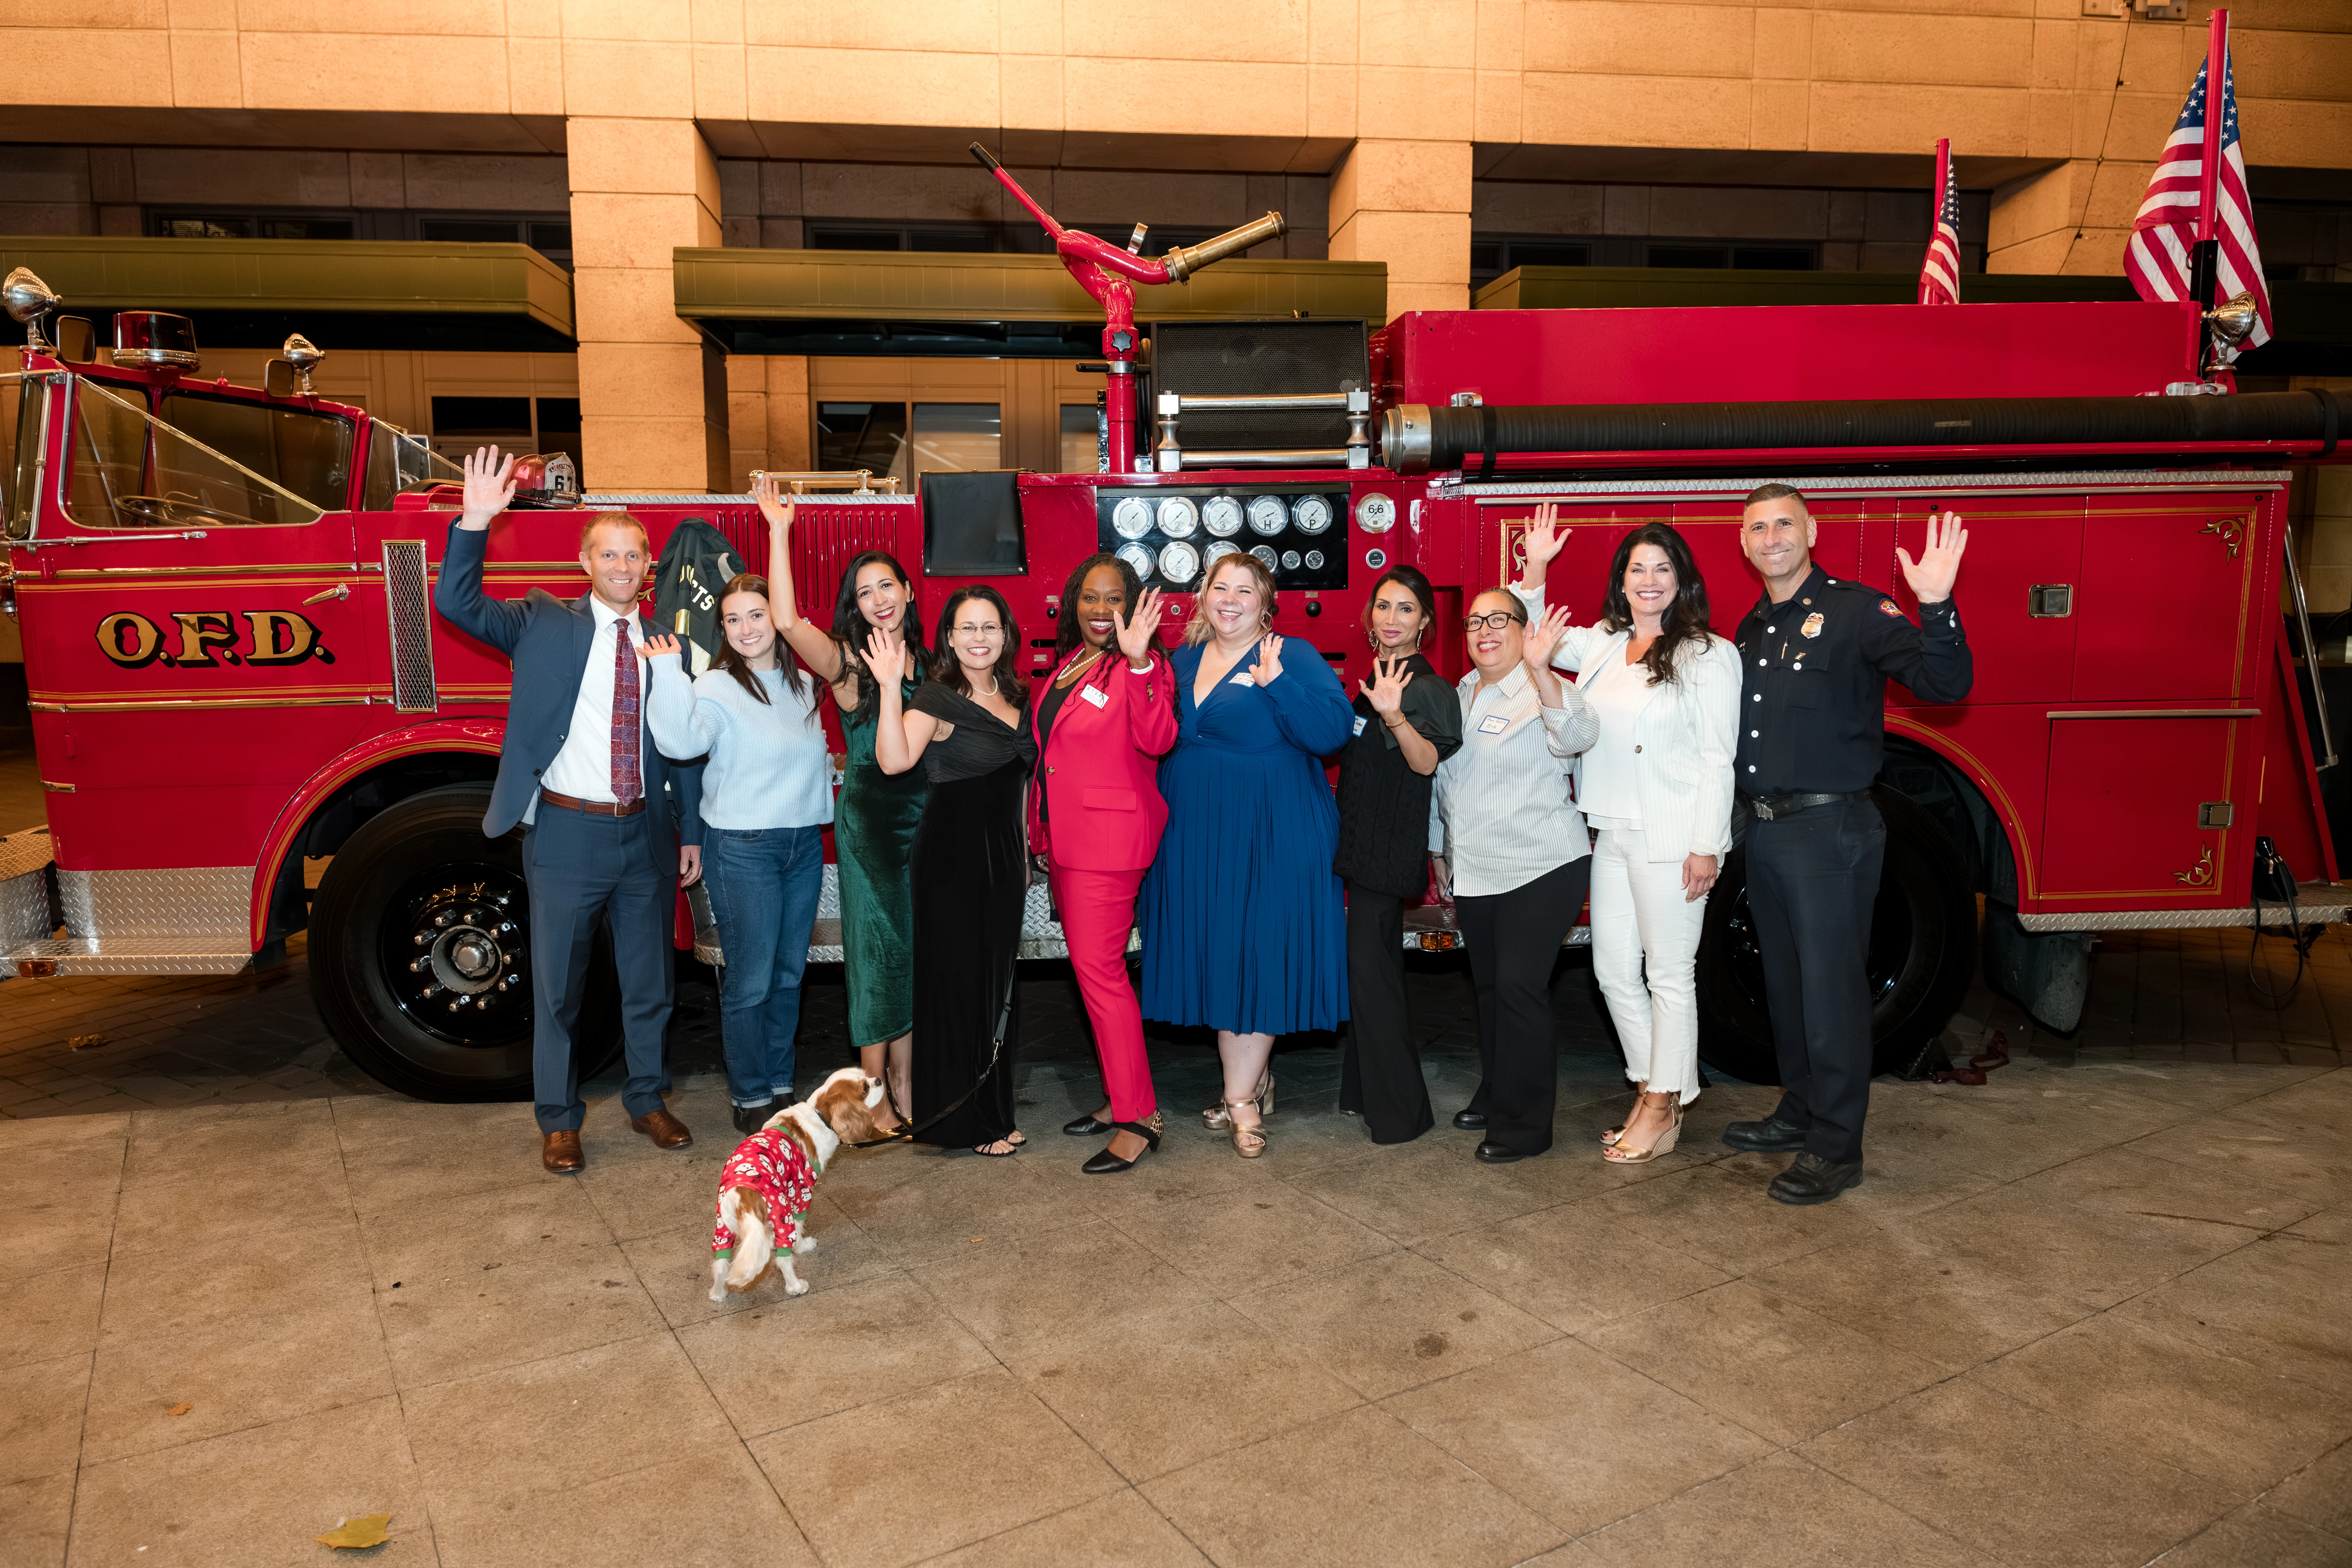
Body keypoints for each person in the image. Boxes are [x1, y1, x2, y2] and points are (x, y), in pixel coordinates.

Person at [431, 446, 704, 1175]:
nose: (622, 566)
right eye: (608, 554)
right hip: (565, 834)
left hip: (645, 833)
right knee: (558, 989)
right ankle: (558, 1119)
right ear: (586, 562)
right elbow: (455, 604)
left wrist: (692, 832)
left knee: (651, 986)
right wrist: (476, 522)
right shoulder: (540, 623)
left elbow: (685, 747)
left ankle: (647, 1099)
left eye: (633, 555)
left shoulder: (666, 645)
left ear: (649, 567)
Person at [1720, 483, 1971, 1205]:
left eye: (1784, 524)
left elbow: (1945, 683)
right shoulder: (1753, 629)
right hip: (1765, 832)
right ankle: (1799, 1110)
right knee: (1787, 990)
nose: (1771, 537)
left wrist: (1937, 603)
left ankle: (1836, 1146)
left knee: (1830, 995)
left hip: (1829, 832)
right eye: (1758, 527)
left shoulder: (1859, 611)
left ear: (1811, 531)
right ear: (1744, 543)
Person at [1512, 513, 1739, 1165]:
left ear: (1682, 580)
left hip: (1672, 839)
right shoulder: (1606, 644)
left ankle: (1662, 1104)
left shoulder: (1711, 655)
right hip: (1610, 831)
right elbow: (1538, 638)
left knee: (1669, 976)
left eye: (1662, 569)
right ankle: (1655, 1086)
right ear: (1621, 581)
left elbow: (1716, 759)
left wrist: (1708, 845)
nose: (1649, 580)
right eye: (1637, 568)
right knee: (1613, 974)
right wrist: (1536, 568)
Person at [1139, 552, 1354, 1159]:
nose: (1230, 599)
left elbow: (1332, 733)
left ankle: (1240, 1098)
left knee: (1256, 953)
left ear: (1266, 603)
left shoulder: (1291, 656)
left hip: (1273, 829)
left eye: (1245, 590)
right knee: (1222, 955)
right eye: (1219, 588)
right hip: (1196, 832)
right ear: (1203, 596)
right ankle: (1253, 1079)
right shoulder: (1182, 660)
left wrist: (1277, 684)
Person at [760, 477, 927, 1128]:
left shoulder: (934, 664)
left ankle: (907, 1092)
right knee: (877, 957)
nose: (879, 599)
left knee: (912, 959)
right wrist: (779, 531)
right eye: (865, 592)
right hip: (871, 829)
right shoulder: (850, 666)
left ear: (908, 592)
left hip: (926, 828)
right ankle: (869, 1100)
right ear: (855, 606)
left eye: (887, 585)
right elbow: (785, 621)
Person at [642, 573, 831, 1136]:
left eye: (756, 614)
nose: (747, 628)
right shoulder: (717, 685)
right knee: (751, 981)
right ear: (721, 628)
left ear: (776, 619)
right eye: (733, 619)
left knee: (789, 976)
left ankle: (779, 1084)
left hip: (801, 845)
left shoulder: (801, 682)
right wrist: (667, 674)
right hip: (743, 849)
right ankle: (751, 1094)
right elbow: (680, 746)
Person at [866, 585, 1035, 1157]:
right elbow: (892, 761)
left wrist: (1025, 851)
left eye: (990, 627)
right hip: (950, 859)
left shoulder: (1019, 696)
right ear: (949, 637)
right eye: (967, 628)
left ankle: (995, 1110)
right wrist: (892, 688)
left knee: (998, 986)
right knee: (957, 986)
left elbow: (1021, 786)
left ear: (1007, 635)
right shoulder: (937, 698)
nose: (979, 638)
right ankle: (965, 1122)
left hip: (1006, 859)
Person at [1430, 589, 1598, 1164]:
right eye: (1475, 621)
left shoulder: (1546, 688)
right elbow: (1443, 782)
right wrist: (1439, 850)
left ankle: (1526, 1126)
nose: (1484, 630)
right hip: (1477, 868)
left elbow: (1578, 738)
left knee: (1521, 992)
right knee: (1489, 991)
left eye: (1498, 619)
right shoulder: (1459, 694)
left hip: (1543, 864)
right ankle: (1498, 1089)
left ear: (1525, 631)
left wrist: (1543, 670)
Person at [1033, 554, 1178, 1174]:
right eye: (1089, 597)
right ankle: (1119, 1095)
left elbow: (1157, 738)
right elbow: (1051, 757)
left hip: (1109, 846)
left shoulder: (1143, 667)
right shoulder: (1072, 662)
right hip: (1068, 844)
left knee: (1103, 977)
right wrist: (1040, 832)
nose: (1099, 610)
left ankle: (1140, 1118)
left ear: (1133, 604)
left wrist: (1142, 659)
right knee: (1092, 978)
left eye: (1113, 598)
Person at [1334, 566, 1463, 1144]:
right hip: (1366, 847)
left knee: (1374, 978)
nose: (1392, 618)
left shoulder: (1427, 687)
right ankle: (1365, 1094)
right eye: (1383, 607)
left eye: (1406, 609)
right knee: (1369, 972)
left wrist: (1392, 713)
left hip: (1387, 852)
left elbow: (1426, 764)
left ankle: (1401, 1114)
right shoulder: (1379, 674)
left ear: (1425, 623)